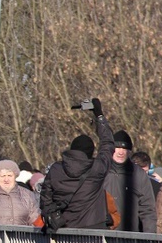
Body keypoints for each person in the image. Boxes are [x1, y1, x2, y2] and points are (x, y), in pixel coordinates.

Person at [40, 99, 114, 230]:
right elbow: (108, 144)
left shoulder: (56, 169)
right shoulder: (97, 168)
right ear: (91, 153)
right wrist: (99, 116)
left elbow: (45, 197)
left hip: (64, 232)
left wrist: (51, 215)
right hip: (94, 230)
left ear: (71, 149)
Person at [104, 130, 157, 233]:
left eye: (125, 148)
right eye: (118, 147)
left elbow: (148, 209)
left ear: (129, 151)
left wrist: (149, 237)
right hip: (103, 234)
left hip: (130, 237)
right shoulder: (101, 171)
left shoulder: (139, 175)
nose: (121, 152)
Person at [0, 160, 41, 226]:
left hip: (22, 237)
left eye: (9, 175)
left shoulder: (28, 195)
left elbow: (36, 222)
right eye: (3, 176)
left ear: (15, 176)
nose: (6, 179)